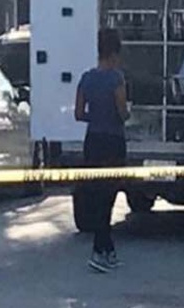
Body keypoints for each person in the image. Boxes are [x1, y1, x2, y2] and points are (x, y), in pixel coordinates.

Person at [75, 28, 129, 273]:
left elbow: (78, 113)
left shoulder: (86, 78)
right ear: (114, 53)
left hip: (93, 140)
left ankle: (108, 250)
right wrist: (128, 113)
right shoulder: (116, 79)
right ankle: (100, 250)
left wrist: (93, 115)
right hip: (113, 140)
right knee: (108, 196)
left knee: (97, 194)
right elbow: (122, 113)